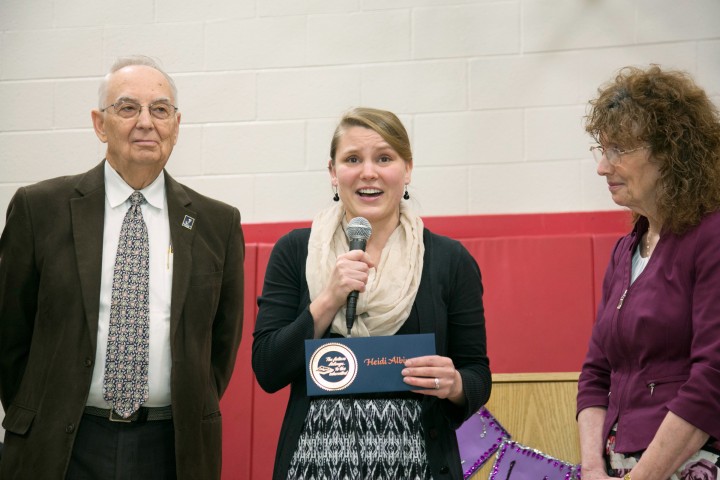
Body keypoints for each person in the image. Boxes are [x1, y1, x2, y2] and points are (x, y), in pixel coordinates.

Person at [0, 55, 245, 479]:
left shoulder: (216, 222)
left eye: (160, 109)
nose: (146, 122)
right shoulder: (39, 209)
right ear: (100, 124)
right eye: (128, 108)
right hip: (62, 445)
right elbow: (10, 334)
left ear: (176, 125)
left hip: (171, 448)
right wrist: (39, 408)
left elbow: (221, 346)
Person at [252, 107, 491, 479]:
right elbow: (268, 369)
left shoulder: (449, 260)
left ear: (407, 169)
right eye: (352, 159)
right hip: (313, 466)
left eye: (384, 158)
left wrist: (455, 384)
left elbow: (477, 375)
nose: (368, 172)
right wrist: (329, 297)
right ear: (333, 172)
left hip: (420, 465)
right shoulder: (295, 252)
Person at [577, 65, 720, 479]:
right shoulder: (625, 250)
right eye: (602, 150)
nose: (603, 167)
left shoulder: (710, 236)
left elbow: (712, 380)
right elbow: (595, 374)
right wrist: (591, 469)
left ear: (672, 153)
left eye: (618, 149)